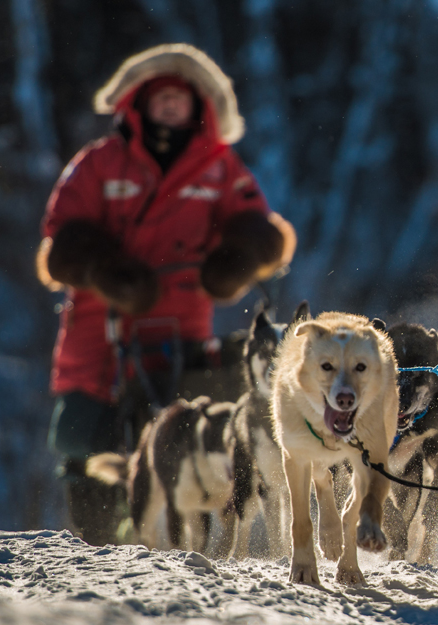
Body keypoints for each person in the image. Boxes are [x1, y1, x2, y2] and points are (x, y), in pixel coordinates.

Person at [36, 43, 295, 544]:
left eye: (182, 97)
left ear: (200, 106)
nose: (172, 105)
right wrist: (107, 270)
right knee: (83, 436)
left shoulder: (220, 167)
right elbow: (62, 239)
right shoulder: (99, 163)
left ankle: (188, 532)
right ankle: (99, 539)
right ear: (140, 103)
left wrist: (235, 261)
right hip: (101, 325)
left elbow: (257, 229)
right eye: (162, 97)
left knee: (187, 427)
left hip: (183, 326)